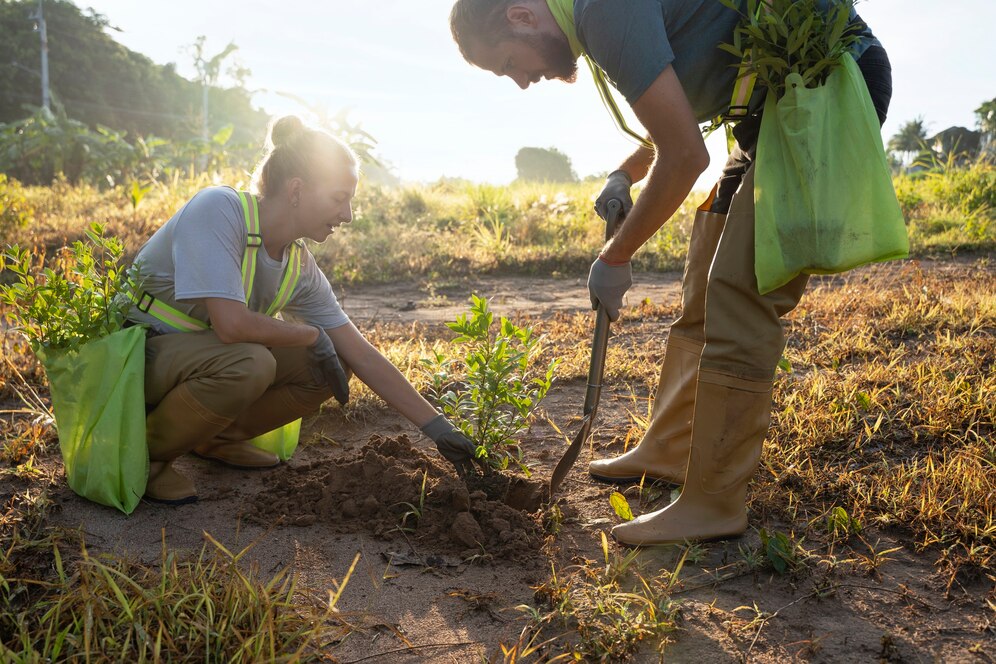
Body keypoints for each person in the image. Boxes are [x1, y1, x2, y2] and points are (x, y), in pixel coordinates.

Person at [449, 0, 892, 544]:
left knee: (740, 295)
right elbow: (678, 115)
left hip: (823, 89)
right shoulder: (595, 16)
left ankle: (715, 502)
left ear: (519, 16)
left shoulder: (601, 11)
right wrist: (623, 171)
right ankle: (671, 448)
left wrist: (615, 257)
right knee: (705, 283)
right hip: (765, 111)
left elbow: (685, 156)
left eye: (507, 65)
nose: (521, 82)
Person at [127, 115, 479, 505]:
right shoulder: (219, 209)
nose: (347, 215)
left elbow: (360, 353)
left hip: (197, 365)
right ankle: (149, 456)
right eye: (338, 198)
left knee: (329, 365)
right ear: (296, 190)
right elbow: (230, 325)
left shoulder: (297, 263)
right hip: (138, 358)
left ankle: (214, 437)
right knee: (252, 361)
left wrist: (439, 430)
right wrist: (310, 334)